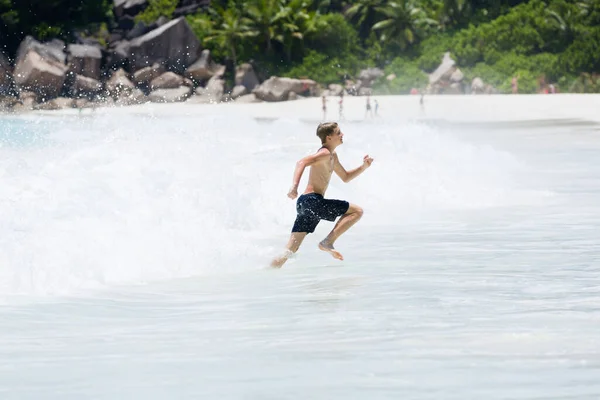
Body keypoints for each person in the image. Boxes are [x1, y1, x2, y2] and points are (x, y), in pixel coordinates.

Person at [270, 122, 374, 268]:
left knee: (290, 250)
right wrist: (294, 186)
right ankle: (328, 242)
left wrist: (364, 167)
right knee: (357, 211)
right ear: (329, 137)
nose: (342, 135)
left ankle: (268, 270)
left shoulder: (332, 156)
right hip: (312, 201)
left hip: (304, 204)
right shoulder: (324, 153)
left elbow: (345, 177)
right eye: (338, 133)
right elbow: (301, 162)